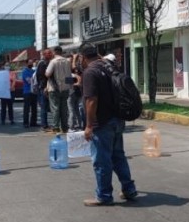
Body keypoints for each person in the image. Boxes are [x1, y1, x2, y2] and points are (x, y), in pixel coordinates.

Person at [80, 42, 137, 206]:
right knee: (118, 156)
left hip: (102, 122)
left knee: (101, 160)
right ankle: (129, 189)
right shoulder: (110, 67)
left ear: (83, 58)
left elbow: (91, 100)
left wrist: (89, 125)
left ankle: (104, 196)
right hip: (118, 119)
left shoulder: (90, 72)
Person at [45, 46, 72, 133]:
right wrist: (70, 87)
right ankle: (65, 127)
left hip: (54, 88)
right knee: (64, 108)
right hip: (65, 88)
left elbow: (47, 74)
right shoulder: (67, 61)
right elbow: (69, 75)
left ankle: (56, 127)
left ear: (54, 52)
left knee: (55, 108)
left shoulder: (53, 61)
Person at [36, 49, 52, 131]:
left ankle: (46, 124)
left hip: (47, 87)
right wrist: (45, 87)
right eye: (48, 53)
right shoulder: (43, 63)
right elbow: (41, 77)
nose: (50, 54)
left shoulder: (49, 62)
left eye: (50, 53)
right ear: (44, 54)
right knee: (44, 107)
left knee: (46, 107)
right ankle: (44, 125)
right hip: (43, 88)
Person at [67, 52, 83, 131]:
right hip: (76, 92)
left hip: (72, 92)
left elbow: (68, 83)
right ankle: (79, 125)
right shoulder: (78, 69)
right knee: (76, 109)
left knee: (72, 110)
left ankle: (71, 126)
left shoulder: (72, 70)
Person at [21, 60, 37, 128]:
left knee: (34, 108)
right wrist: (34, 81)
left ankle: (33, 122)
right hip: (27, 92)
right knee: (27, 108)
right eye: (29, 63)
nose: (31, 64)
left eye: (31, 63)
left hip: (34, 92)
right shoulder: (25, 71)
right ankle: (26, 123)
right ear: (26, 63)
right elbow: (29, 81)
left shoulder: (33, 71)